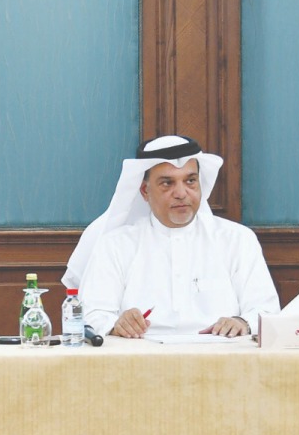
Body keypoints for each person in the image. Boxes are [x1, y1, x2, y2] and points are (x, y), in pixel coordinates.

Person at [64, 135, 279, 338]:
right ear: (145, 191)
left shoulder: (237, 240)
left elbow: (266, 310)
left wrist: (243, 321)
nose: (181, 193)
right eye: (167, 183)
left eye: (190, 181)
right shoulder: (116, 245)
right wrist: (117, 324)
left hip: (221, 363)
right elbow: (92, 315)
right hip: (139, 365)